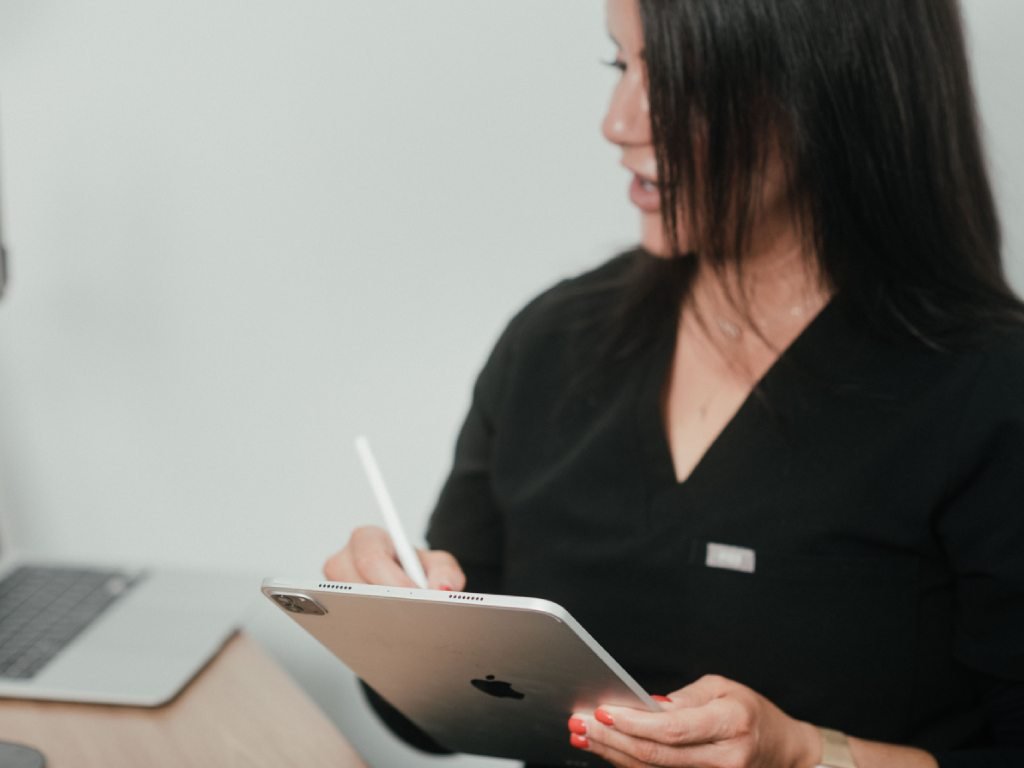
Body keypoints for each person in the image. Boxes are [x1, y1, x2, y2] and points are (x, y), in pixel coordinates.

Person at [324, 0, 1024, 766]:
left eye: (681, 78)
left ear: (829, 86)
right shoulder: (551, 345)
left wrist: (802, 755)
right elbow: (433, 716)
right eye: (619, 65)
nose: (619, 123)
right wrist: (396, 621)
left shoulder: (988, 386)